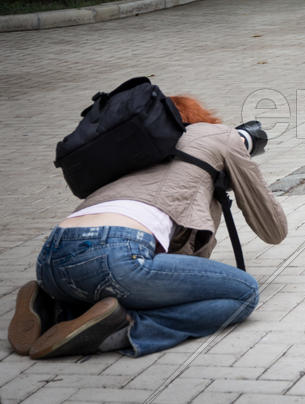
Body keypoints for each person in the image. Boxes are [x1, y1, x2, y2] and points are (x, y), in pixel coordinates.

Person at [7, 95, 288, 359]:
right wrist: (236, 153)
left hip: (51, 257)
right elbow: (273, 230)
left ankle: (55, 310)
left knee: (112, 279)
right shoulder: (217, 135)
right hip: (115, 254)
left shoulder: (131, 154)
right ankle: (124, 327)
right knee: (244, 293)